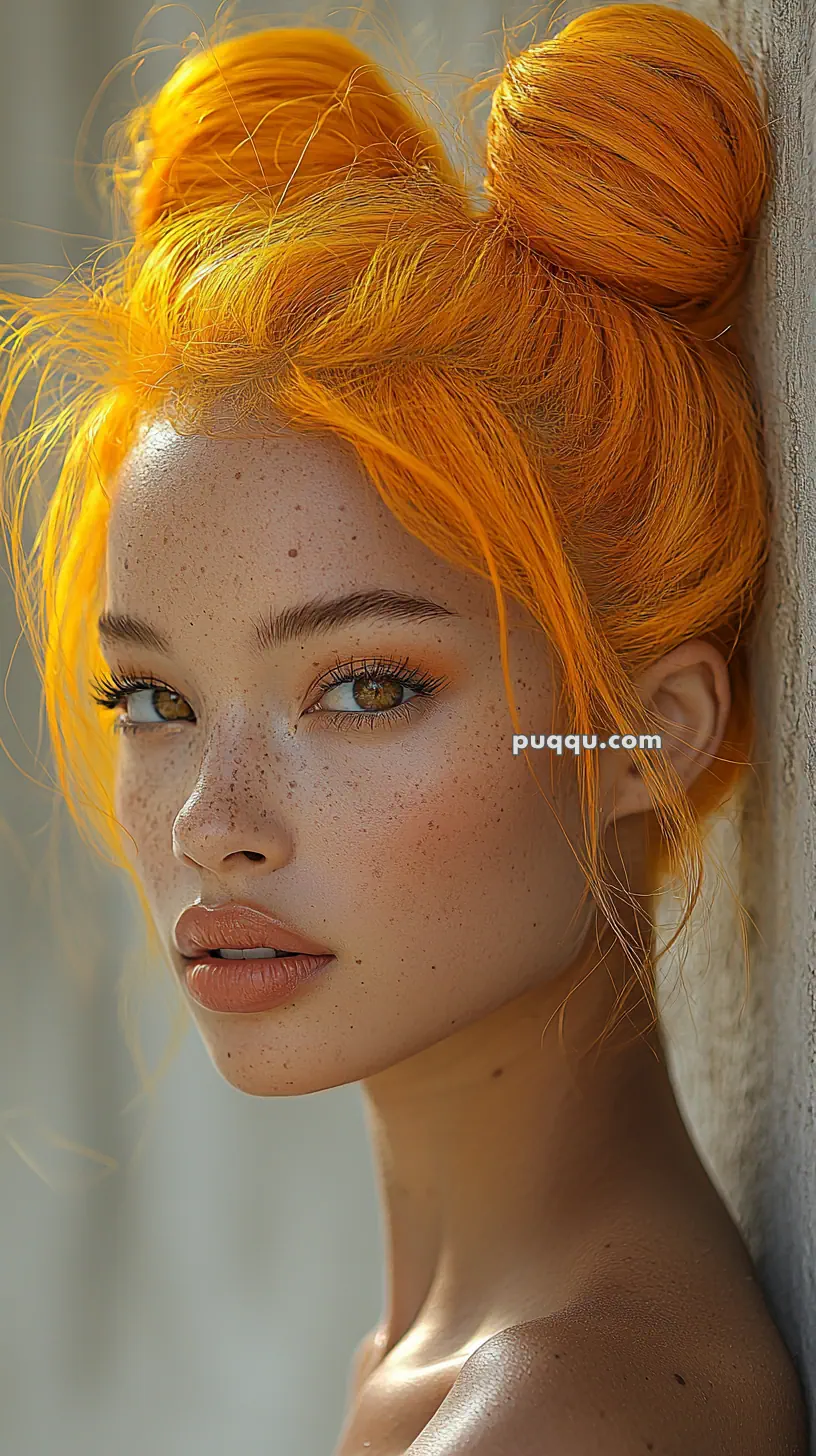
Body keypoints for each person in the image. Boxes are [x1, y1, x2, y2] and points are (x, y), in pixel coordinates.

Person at [0, 5, 808, 1452]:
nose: (209, 820)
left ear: (647, 736)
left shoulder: (560, 1414)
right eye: (156, 702)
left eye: (365, 686)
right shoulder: (454, 1368)